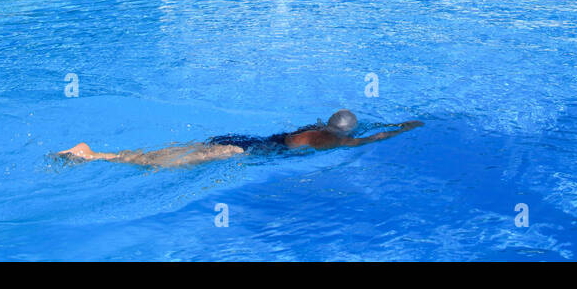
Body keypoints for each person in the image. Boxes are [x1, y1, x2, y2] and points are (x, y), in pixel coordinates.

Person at [57, 110, 422, 170]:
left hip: (247, 139)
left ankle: (99, 153)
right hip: (241, 149)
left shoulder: (314, 127)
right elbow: (373, 140)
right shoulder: (335, 141)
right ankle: (94, 155)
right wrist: (404, 129)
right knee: (167, 161)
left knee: (176, 153)